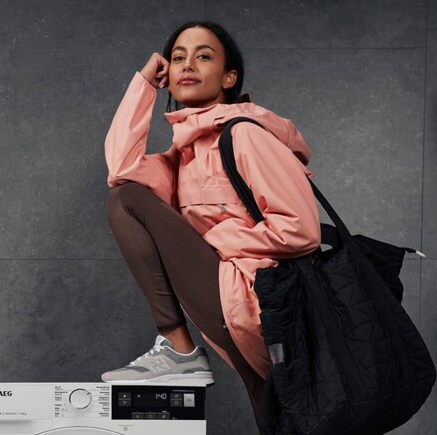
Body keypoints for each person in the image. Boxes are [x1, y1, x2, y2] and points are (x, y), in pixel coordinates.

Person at [101, 20, 321, 432]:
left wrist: (217, 240)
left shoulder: (245, 136)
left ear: (228, 77)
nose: (188, 65)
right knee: (279, 420)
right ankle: (180, 352)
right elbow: (122, 169)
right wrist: (145, 84)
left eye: (204, 56)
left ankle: (180, 351)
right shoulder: (181, 156)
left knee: (126, 203)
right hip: (233, 304)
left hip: (261, 301)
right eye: (179, 57)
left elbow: (302, 230)